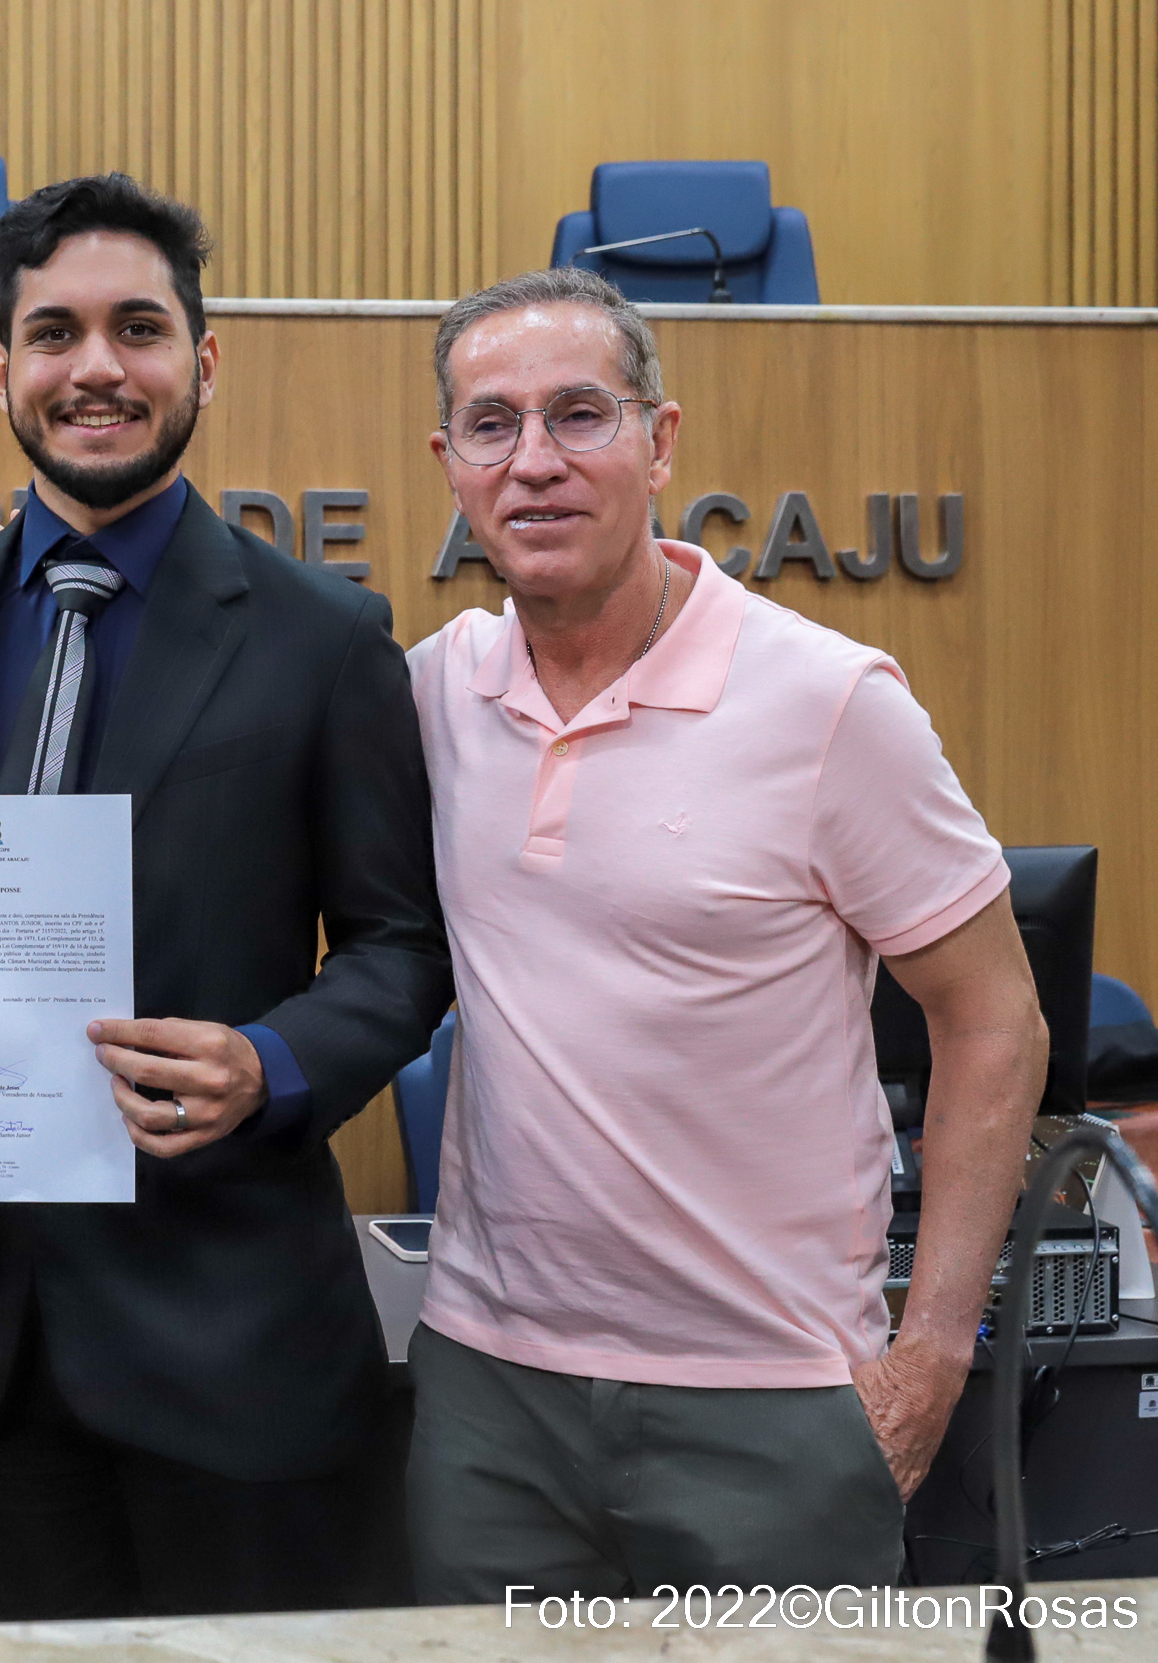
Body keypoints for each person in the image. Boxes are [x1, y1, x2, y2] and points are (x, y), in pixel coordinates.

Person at [0, 175, 451, 1621]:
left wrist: (272, 1060)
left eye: (138, 328)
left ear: (204, 361)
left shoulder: (323, 638)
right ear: (2, 368)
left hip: (236, 1346)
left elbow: (400, 945)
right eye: (54, 333)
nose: (95, 367)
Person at [401, 267, 1045, 1598]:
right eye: (492, 424)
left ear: (660, 441)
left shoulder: (828, 702)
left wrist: (932, 1356)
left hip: (774, 1401)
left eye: (580, 414)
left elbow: (994, 1019)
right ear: (449, 463)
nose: (535, 460)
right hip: (487, 1396)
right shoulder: (431, 690)